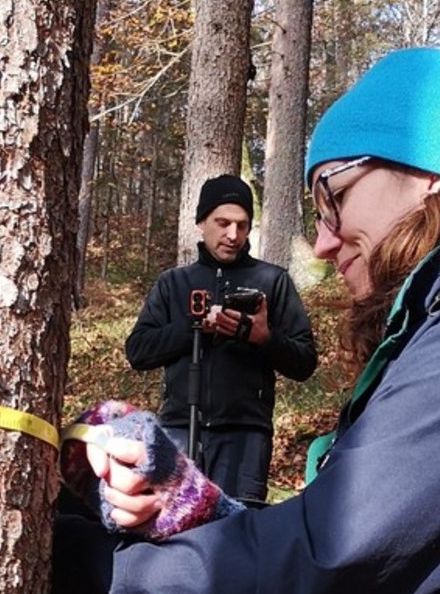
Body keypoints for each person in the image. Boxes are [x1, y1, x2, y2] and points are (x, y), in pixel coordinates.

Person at [54, 47, 440, 594]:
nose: (322, 241)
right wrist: (193, 504)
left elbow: (331, 557)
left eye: (330, 195)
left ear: (426, 176)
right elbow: (372, 550)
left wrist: (74, 562)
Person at [122, 174, 318, 504]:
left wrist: (263, 338)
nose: (233, 235)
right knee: (176, 526)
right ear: (201, 222)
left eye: (242, 225)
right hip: (180, 429)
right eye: (222, 222)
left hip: (245, 434)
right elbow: (138, 351)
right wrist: (194, 328)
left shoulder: (272, 281)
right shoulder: (173, 283)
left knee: (236, 535)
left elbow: (304, 362)